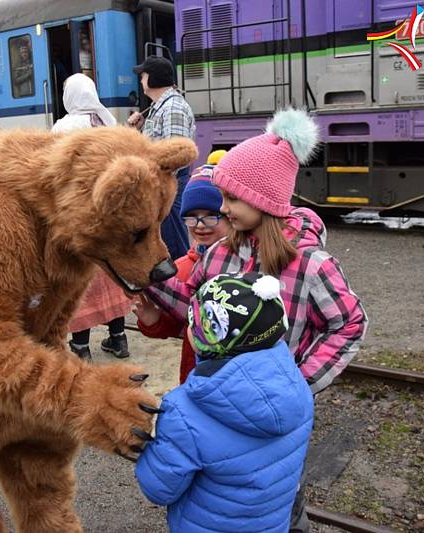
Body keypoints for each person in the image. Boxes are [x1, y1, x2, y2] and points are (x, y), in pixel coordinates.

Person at [144, 108, 368, 532]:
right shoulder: (219, 255)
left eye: (231, 199)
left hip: (275, 415)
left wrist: (300, 381)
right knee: (221, 497)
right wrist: (146, 278)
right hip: (218, 408)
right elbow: (194, 307)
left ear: (264, 200)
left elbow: (350, 323)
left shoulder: (312, 265)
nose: (222, 209)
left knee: (279, 496)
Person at [135, 272, 314, 532]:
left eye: (195, 323)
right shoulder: (295, 384)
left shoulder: (184, 411)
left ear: (209, 338)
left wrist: (149, 442)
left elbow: (159, 489)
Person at [49, 74, 128, 361]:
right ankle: (119, 339)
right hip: (112, 213)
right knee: (111, 276)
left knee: (82, 279)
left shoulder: (64, 126)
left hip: (79, 214)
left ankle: (81, 346)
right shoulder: (108, 123)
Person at [135, 159, 230, 383]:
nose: (199, 224)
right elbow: (178, 324)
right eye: (191, 216)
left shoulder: (246, 265)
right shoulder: (183, 267)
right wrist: (154, 321)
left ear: (230, 214)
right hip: (193, 377)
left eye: (210, 215)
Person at [128, 56, 195, 261]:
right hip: (164, 185)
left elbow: (174, 156)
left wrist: (155, 186)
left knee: (174, 245)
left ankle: (182, 287)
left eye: (143, 75)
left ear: (152, 79)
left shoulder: (172, 107)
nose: (141, 80)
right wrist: (139, 129)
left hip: (169, 185)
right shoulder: (161, 106)